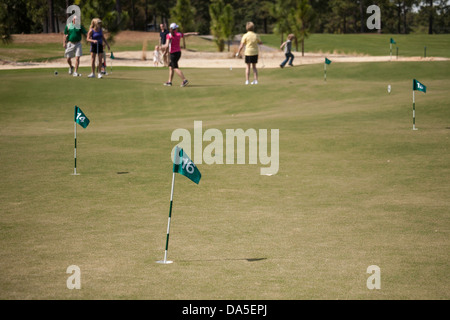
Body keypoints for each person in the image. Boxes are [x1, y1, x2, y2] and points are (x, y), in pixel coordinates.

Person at [162, 23, 199, 87]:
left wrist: (161, 47)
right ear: (175, 28)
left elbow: (167, 45)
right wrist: (193, 33)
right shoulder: (178, 34)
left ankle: (184, 80)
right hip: (178, 53)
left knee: (175, 68)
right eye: (176, 27)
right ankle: (169, 82)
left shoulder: (169, 35)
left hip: (173, 54)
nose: (177, 28)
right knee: (171, 67)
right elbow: (186, 34)